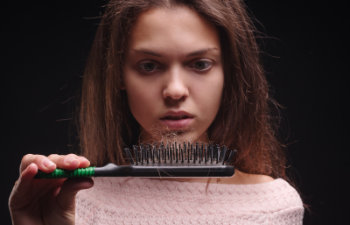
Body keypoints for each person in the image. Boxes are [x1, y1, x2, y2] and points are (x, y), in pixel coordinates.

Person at [9, 0, 304, 224]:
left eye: (200, 64)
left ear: (230, 72)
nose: (175, 90)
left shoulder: (274, 207)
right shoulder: (73, 205)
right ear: (118, 76)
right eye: (149, 65)